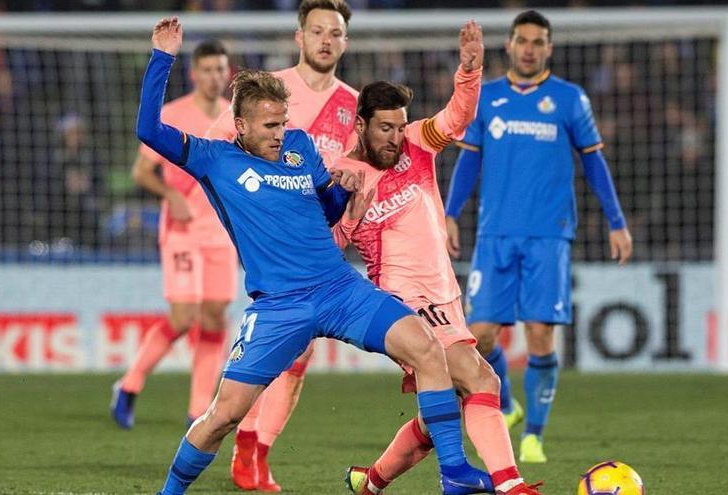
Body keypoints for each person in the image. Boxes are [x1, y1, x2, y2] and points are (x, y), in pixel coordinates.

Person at [138, 17, 490, 495]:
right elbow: (148, 129)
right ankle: (170, 491)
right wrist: (163, 57)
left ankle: (454, 474)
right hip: (279, 306)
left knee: (429, 349)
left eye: (283, 123)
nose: (280, 134)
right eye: (269, 126)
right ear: (239, 126)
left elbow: (325, 209)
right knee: (223, 415)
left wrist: (345, 196)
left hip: (339, 287)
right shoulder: (212, 158)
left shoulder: (300, 148)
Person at [333, 22, 542, 495]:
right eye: (384, 128)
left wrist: (469, 70)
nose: (394, 137)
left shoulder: (416, 144)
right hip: (402, 300)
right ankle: (511, 485)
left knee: (438, 414)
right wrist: (348, 221)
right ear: (360, 124)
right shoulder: (341, 176)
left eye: (398, 126)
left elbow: (456, 118)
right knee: (480, 378)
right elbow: (324, 249)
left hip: (443, 294)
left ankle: (370, 483)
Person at [444, 10, 633, 464]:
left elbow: (593, 163)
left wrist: (616, 220)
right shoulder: (486, 99)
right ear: (508, 45)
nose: (529, 48)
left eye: (538, 41)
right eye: (522, 40)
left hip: (549, 236)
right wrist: (449, 213)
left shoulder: (570, 100)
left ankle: (533, 436)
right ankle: (506, 404)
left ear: (548, 48)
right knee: (480, 337)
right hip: (495, 235)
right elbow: (468, 161)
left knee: (540, 336)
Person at [205, 1, 358, 490]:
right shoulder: (269, 91)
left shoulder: (354, 103)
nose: (326, 40)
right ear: (300, 37)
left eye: (335, 32)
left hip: (326, 244)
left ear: (344, 41)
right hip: (273, 249)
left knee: (301, 359)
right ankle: (245, 443)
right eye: (317, 30)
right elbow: (215, 149)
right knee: (277, 349)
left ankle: (258, 448)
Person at [110, 39, 235, 430]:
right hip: (181, 230)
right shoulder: (173, 113)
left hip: (220, 232)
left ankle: (198, 412)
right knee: (183, 316)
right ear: (194, 73)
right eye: (209, 70)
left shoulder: (234, 118)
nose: (216, 77)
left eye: (221, 70)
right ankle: (129, 385)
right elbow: (141, 172)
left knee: (214, 316)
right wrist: (169, 195)